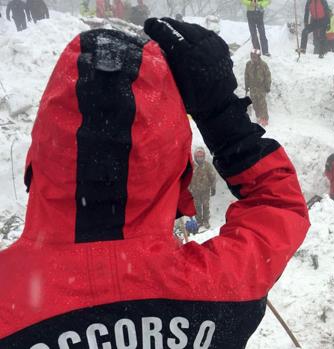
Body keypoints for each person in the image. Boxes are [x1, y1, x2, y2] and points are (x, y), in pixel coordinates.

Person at [0, 19, 310, 348]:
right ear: (176, 169)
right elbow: (277, 205)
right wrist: (219, 111)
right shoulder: (215, 291)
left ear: (39, 157)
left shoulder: (10, 302)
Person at [189, 147, 217, 228]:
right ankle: (199, 222)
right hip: (194, 191)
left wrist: (213, 187)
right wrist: (188, 189)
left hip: (205, 190)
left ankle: (206, 221)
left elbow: (213, 176)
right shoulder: (192, 166)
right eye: (198, 156)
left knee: (205, 206)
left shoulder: (207, 165)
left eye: (201, 156)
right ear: (195, 156)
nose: (200, 158)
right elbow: (188, 179)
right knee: (197, 207)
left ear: (204, 156)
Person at [245, 49, 272, 126]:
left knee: (262, 103)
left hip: (261, 88)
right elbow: (246, 76)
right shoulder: (248, 64)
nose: (253, 59)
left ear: (258, 57)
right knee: (255, 103)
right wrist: (247, 86)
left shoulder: (263, 65)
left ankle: (264, 119)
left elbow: (268, 77)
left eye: (255, 57)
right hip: (252, 88)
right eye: (252, 57)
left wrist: (267, 86)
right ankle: (259, 116)